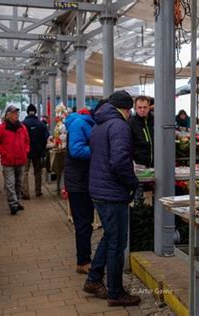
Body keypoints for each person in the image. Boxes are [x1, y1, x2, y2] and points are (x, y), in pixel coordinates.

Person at [83, 91, 140, 307]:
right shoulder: (119, 126)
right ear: (127, 110)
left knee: (110, 237)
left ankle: (94, 279)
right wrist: (132, 183)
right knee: (117, 243)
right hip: (112, 192)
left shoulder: (100, 123)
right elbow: (119, 162)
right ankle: (116, 293)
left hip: (100, 189)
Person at [64, 100, 106, 275]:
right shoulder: (80, 124)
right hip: (78, 182)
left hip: (85, 179)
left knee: (86, 222)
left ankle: (85, 259)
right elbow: (76, 150)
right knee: (83, 223)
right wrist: (100, 150)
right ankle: (83, 261)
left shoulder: (90, 123)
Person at [0, 106, 30, 215]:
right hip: (8, 161)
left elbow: (27, 140)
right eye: (14, 113)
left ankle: (17, 201)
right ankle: (13, 204)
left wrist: (26, 151)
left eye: (17, 113)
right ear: (8, 115)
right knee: (10, 184)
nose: (16, 115)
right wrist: (4, 152)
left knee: (19, 183)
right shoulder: (1, 128)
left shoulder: (22, 127)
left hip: (21, 159)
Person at [21, 104, 49, 199]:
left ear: (27, 112)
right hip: (38, 151)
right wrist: (42, 149)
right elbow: (45, 138)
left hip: (26, 152)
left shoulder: (23, 124)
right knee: (38, 172)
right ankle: (38, 191)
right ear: (36, 112)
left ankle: (25, 192)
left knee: (25, 172)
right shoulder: (41, 124)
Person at [128, 96, 154, 167]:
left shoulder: (155, 121)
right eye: (140, 107)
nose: (142, 110)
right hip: (139, 164)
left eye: (145, 107)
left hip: (156, 164)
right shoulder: (130, 123)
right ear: (135, 108)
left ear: (149, 108)